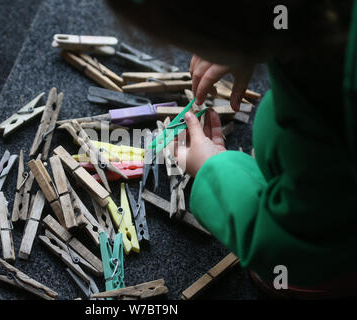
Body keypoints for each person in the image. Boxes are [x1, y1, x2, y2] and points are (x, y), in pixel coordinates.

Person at [106, 0, 357, 298]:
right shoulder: (319, 21)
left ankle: (327, 278)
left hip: (331, 234)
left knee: (290, 256)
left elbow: (277, 239)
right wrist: (254, 46)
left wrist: (213, 170)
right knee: (272, 123)